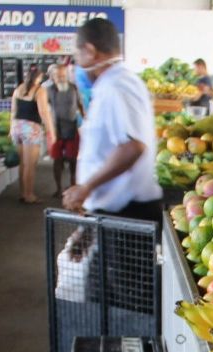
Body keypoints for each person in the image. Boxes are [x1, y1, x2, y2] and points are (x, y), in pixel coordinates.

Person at [62, 18, 163, 223]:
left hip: (127, 213)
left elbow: (132, 146)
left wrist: (86, 187)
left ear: (90, 51)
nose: (77, 63)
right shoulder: (113, 84)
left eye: (77, 55)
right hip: (115, 211)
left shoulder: (116, 87)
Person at [10, 65, 56, 204]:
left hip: (17, 127)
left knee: (23, 164)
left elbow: (13, 110)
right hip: (31, 129)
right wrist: (51, 131)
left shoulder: (18, 89)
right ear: (39, 77)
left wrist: (10, 129)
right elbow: (44, 113)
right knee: (30, 164)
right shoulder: (39, 90)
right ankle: (29, 195)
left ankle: (22, 193)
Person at [47, 64, 83, 197]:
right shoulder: (48, 90)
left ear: (67, 75)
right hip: (55, 128)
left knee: (73, 158)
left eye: (63, 75)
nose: (61, 78)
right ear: (52, 77)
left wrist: (86, 119)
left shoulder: (74, 88)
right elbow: (45, 109)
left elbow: (80, 104)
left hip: (72, 126)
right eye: (57, 76)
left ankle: (73, 184)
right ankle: (58, 188)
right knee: (57, 159)